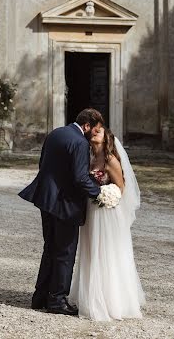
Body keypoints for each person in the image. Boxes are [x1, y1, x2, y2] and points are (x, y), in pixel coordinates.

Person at [18, 108, 103, 316]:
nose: (94, 135)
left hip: (46, 199)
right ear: (86, 126)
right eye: (95, 130)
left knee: (50, 248)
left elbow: (45, 165)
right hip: (65, 203)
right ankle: (56, 300)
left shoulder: (56, 133)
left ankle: (40, 297)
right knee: (65, 252)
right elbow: (79, 178)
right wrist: (99, 193)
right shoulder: (80, 143)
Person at [69, 127, 145, 321]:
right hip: (92, 211)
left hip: (107, 212)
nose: (94, 133)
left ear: (106, 138)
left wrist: (106, 196)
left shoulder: (111, 160)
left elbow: (121, 188)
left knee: (107, 254)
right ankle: (89, 296)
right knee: (91, 251)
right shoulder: (90, 157)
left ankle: (112, 301)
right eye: (93, 131)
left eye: (99, 131)